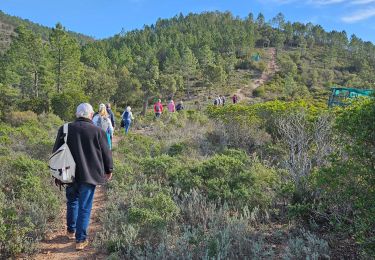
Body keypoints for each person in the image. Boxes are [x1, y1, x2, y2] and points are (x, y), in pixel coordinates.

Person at [52, 103, 113, 251]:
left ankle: (71, 231)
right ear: (91, 115)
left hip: (69, 174)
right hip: (89, 174)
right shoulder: (98, 131)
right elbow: (106, 153)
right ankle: (80, 240)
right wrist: (108, 169)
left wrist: (57, 173)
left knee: (72, 201)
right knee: (85, 207)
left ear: (77, 114)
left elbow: (56, 151)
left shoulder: (65, 128)